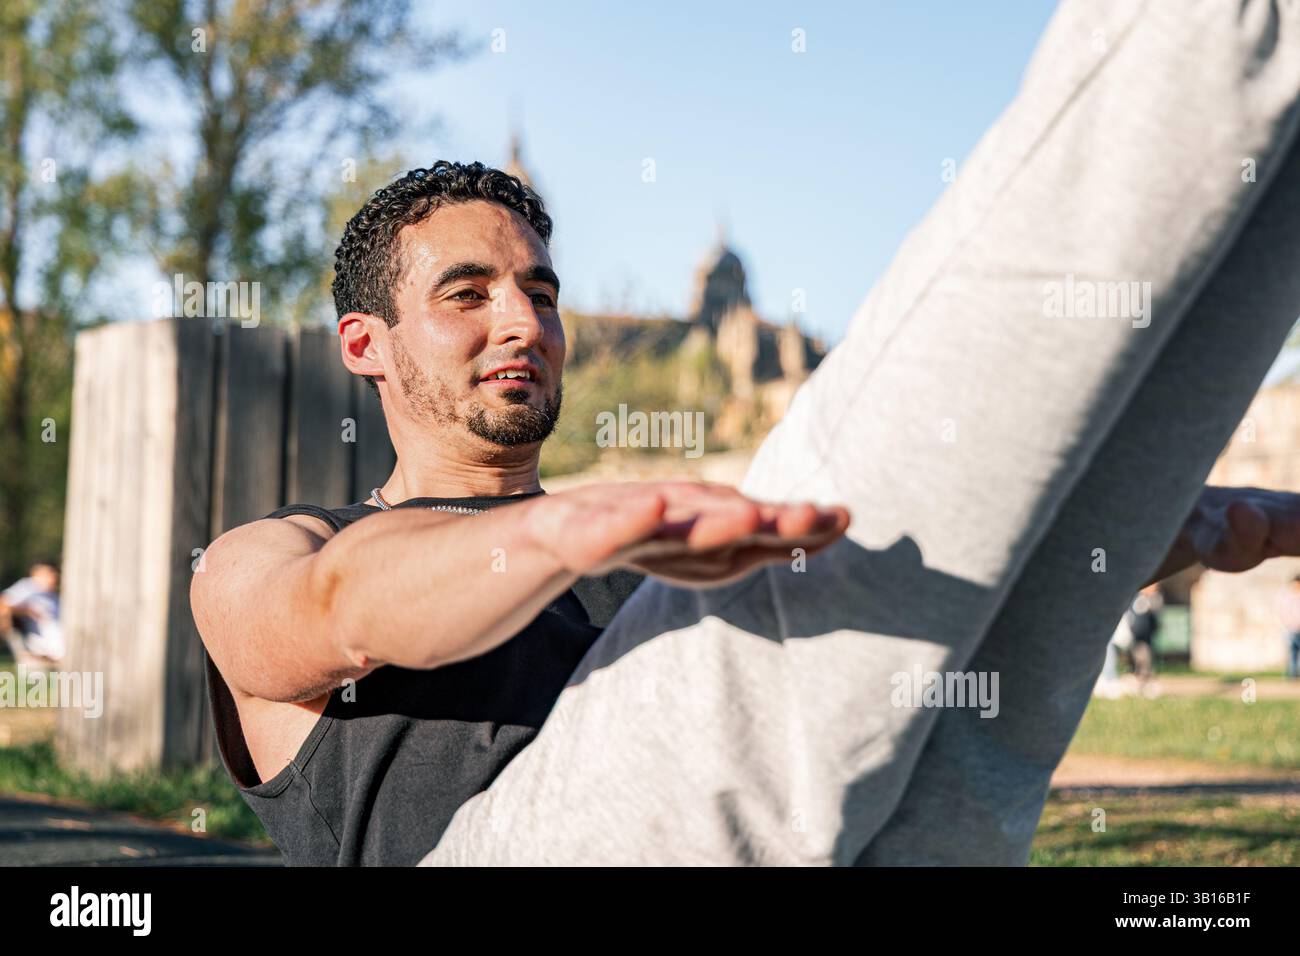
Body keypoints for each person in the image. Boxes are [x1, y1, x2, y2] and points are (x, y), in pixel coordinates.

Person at [193, 0, 1300, 866]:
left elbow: (932, 557)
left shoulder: (642, 550)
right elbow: (339, 606)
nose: (523, 321)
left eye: (540, 287)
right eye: (468, 292)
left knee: (1036, 540)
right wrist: (579, 528)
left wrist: (1184, 526)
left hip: (846, 831)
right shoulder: (275, 553)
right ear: (363, 343)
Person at [0, 560, 64, 670]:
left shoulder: (53, 597)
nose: (53, 577)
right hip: (41, 647)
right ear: (36, 573)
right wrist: (26, 610)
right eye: (49, 573)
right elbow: (3, 605)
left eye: (55, 574)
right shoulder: (28, 588)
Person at [1125, 584, 1164, 689]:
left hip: (1147, 636)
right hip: (1136, 635)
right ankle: (1139, 680)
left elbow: (1156, 619)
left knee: (1145, 659)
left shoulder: (1154, 598)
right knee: (1138, 658)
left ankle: (1145, 681)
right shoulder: (1136, 598)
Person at [1280, 575, 1300, 680]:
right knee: (1293, 652)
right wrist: (1288, 623)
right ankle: (1293, 676)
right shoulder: (1287, 597)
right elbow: (1284, 612)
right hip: (1291, 629)